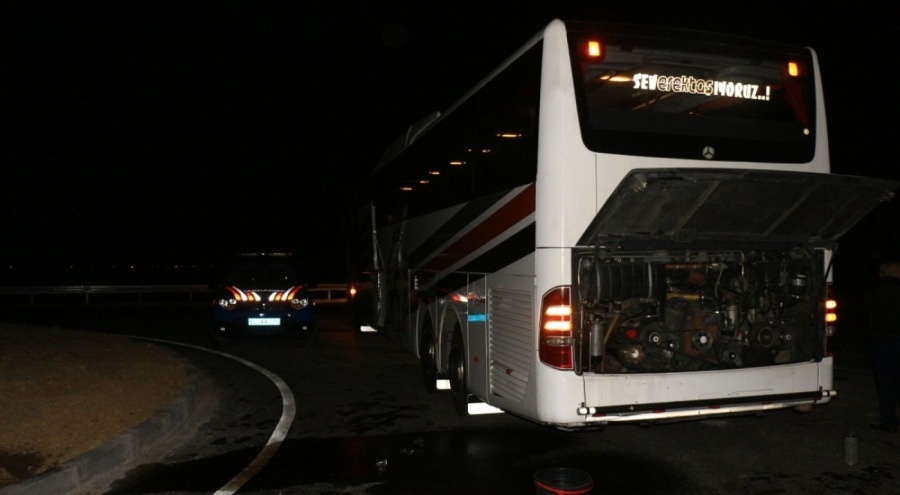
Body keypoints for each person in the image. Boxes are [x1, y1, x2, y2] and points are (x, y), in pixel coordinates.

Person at [865, 260, 900, 434]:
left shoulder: (872, 294)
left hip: (880, 341)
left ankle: (889, 421)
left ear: (881, 275)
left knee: (885, 383)